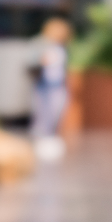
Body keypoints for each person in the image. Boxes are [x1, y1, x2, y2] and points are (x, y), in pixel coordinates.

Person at [28, 17, 72, 162]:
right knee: (43, 114)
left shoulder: (63, 47)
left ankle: (50, 141)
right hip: (44, 85)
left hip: (59, 85)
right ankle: (40, 142)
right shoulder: (41, 44)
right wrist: (41, 59)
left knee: (57, 113)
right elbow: (32, 60)